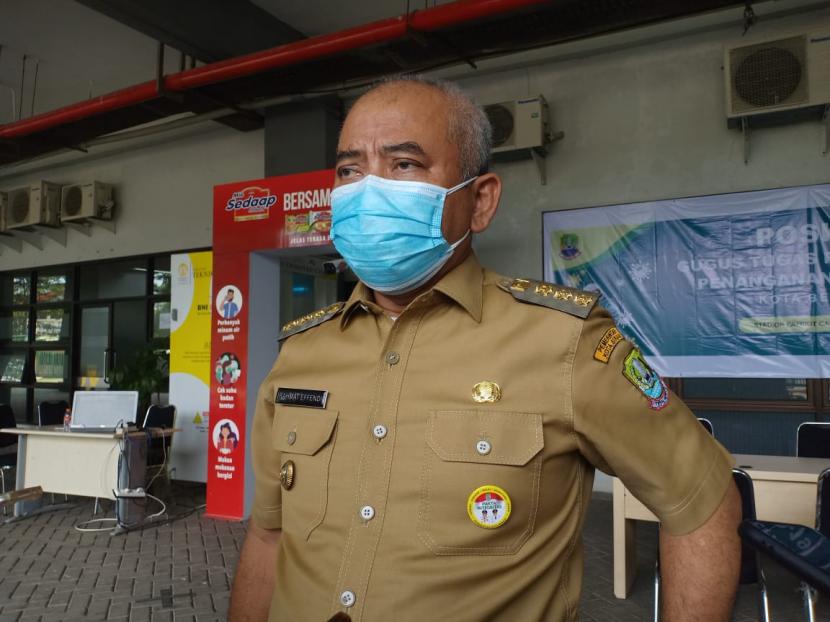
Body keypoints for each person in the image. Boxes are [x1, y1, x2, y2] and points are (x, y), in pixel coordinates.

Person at [230, 76, 741, 622]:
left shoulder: (564, 341)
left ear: (480, 202)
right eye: (350, 170)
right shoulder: (302, 351)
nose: (368, 191)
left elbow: (701, 504)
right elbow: (269, 536)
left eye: (404, 165)